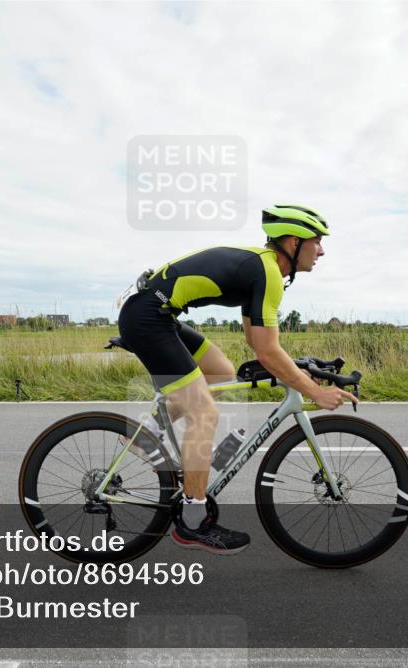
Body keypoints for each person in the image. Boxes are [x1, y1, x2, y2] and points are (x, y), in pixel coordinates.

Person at [116, 205, 359, 554]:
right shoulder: (268, 272)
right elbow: (266, 352)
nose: (321, 251)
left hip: (155, 313)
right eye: (317, 242)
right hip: (147, 317)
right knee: (204, 413)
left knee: (222, 372)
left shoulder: (264, 269)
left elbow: (258, 340)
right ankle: (193, 522)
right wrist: (314, 392)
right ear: (294, 242)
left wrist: (296, 369)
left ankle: (152, 431)